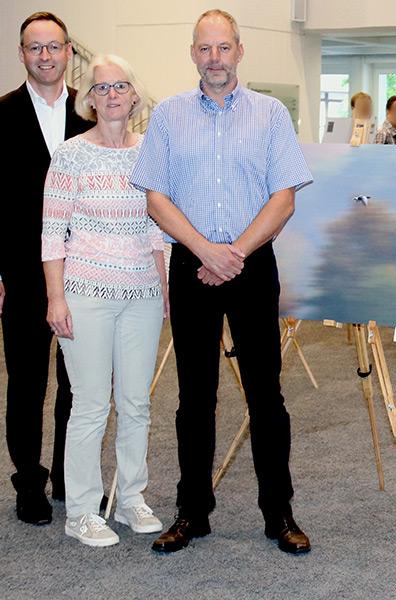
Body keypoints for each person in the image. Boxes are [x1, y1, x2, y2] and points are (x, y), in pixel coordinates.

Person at [130, 8, 313, 555]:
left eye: (223, 47)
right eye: (204, 49)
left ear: (239, 50)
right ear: (193, 54)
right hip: (192, 266)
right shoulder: (167, 116)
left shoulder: (271, 114)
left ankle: (278, 513)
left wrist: (234, 252)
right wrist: (205, 250)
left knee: (267, 396)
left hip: (252, 265)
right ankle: (193, 512)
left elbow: (284, 197)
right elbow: (155, 197)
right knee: (194, 399)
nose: (215, 58)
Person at [0, 11, 93, 525]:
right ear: (22, 54)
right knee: (26, 383)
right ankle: (29, 482)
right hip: (19, 275)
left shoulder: (89, 118)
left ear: (68, 53)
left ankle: (69, 475)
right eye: (34, 47)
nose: (45, 56)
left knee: (76, 382)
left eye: (54, 46)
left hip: (81, 272)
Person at [42, 54, 166, 547]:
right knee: (91, 405)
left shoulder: (152, 152)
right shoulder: (70, 154)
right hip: (85, 294)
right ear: (88, 99)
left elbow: (160, 231)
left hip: (142, 294)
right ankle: (82, 511)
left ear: (134, 95)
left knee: (136, 403)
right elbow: (52, 233)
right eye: (101, 88)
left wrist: (164, 290)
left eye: (120, 86)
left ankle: (131, 498)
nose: (112, 95)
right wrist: (55, 298)